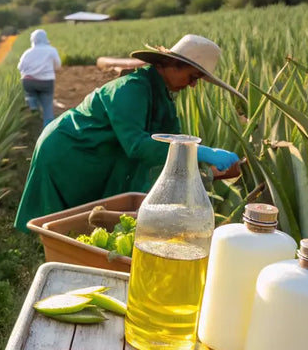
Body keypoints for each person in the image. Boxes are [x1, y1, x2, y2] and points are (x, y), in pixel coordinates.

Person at [14, 34, 241, 231]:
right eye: (192, 77)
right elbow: (137, 145)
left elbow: (172, 140)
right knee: (62, 217)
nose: (193, 85)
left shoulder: (162, 96)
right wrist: (200, 151)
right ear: (171, 64)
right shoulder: (130, 89)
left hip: (95, 150)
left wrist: (200, 164)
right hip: (69, 147)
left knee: (86, 216)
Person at [18, 29, 62, 127]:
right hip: (46, 81)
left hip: (29, 82)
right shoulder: (51, 50)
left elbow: (20, 67)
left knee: (30, 94)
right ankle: (47, 131)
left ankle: (33, 105)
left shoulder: (27, 52)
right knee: (47, 107)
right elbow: (58, 65)